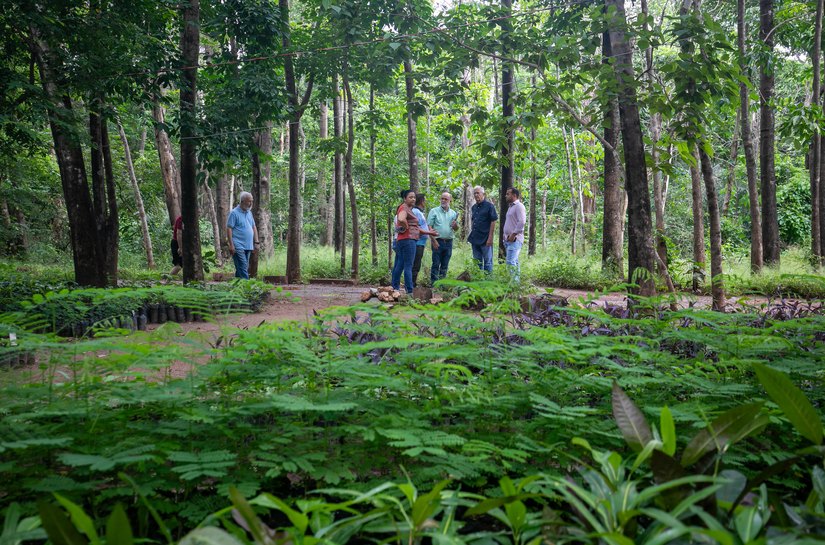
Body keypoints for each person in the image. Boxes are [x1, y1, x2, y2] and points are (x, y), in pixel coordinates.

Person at [391, 190, 436, 294]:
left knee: (400, 264)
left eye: (414, 197)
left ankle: (395, 288)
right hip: (408, 240)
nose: (413, 199)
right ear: (405, 199)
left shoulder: (407, 209)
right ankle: (410, 291)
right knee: (408, 266)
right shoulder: (404, 208)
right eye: (410, 197)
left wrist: (428, 232)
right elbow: (401, 219)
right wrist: (406, 226)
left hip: (402, 240)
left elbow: (414, 227)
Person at [427, 191, 459, 285]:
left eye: (446, 199)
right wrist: (433, 241)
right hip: (438, 241)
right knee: (436, 263)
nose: (443, 200)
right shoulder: (434, 211)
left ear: (450, 201)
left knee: (445, 264)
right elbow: (429, 227)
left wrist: (455, 226)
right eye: (442, 198)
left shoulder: (453, 213)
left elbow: (456, 229)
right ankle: (434, 284)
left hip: (449, 242)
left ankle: (442, 284)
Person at [227, 191, 259, 279]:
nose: (251, 203)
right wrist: (231, 245)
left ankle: (237, 285)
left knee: (241, 268)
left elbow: (253, 227)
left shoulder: (249, 213)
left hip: (248, 245)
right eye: (249, 201)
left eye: (252, 201)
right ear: (242, 201)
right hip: (237, 244)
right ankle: (248, 285)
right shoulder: (234, 213)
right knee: (243, 266)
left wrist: (256, 242)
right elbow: (229, 229)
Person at [468, 185, 498, 273]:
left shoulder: (489, 206)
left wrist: (490, 238)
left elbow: (493, 221)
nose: (476, 195)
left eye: (478, 193)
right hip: (475, 238)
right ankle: (478, 279)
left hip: (485, 239)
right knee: (477, 262)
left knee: (488, 262)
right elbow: (473, 221)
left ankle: (488, 279)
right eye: (475, 193)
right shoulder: (474, 207)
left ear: (483, 194)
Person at [503, 187, 526, 282]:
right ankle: (516, 284)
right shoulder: (511, 207)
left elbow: (522, 221)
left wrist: (513, 234)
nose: (506, 196)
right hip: (508, 239)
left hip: (515, 239)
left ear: (514, 195)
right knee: (514, 262)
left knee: (510, 262)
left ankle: (513, 285)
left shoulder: (519, 206)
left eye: (508, 194)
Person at [411, 193, 431, 287]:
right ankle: (412, 284)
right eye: (425, 200)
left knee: (416, 263)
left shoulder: (419, 212)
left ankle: (412, 283)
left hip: (421, 242)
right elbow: (416, 228)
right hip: (417, 242)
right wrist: (429, 233)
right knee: (415, 264)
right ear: (422, 201)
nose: (425, 202)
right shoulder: (416, 212)